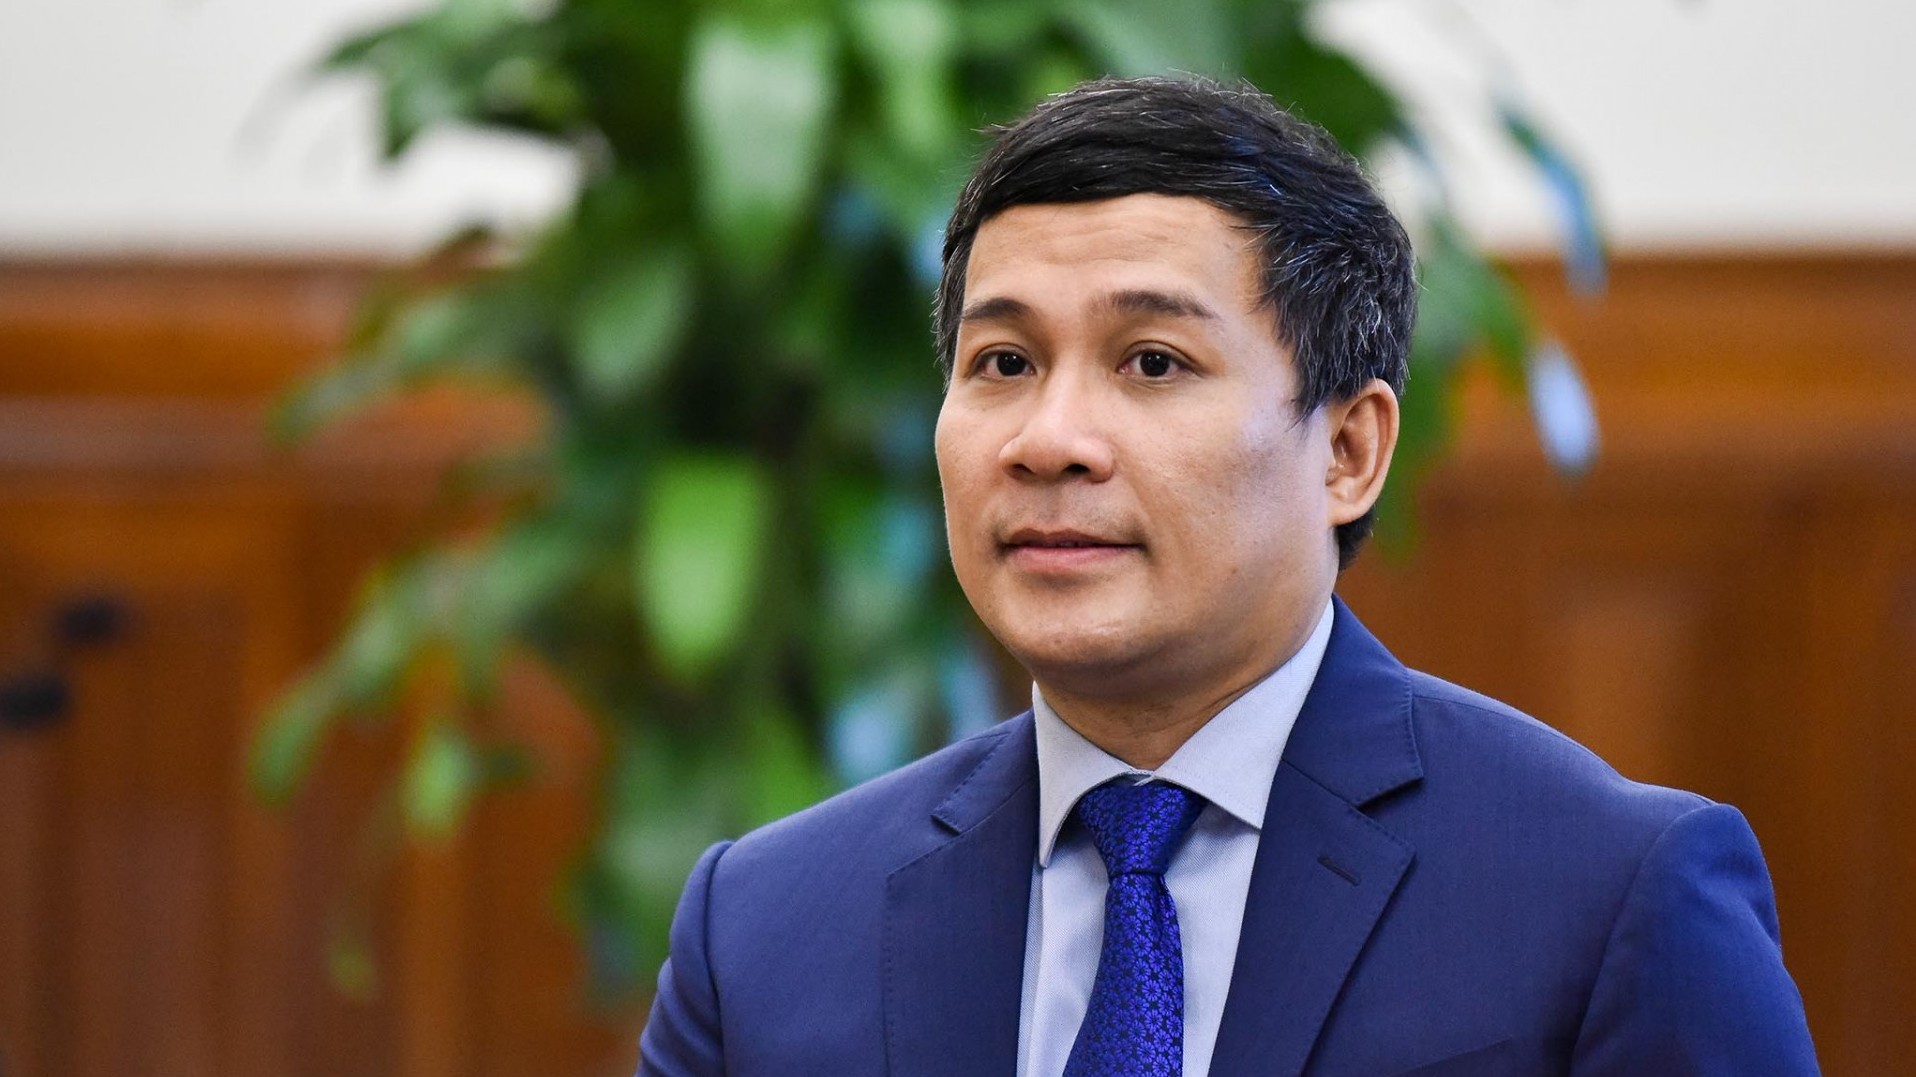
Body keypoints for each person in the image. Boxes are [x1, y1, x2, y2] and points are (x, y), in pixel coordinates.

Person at [637, 76, 1819, 1077]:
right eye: (1001, 362)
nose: (1048, 440)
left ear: (1346, 451)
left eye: (1151, 362)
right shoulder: (762, 928)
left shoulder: (1608, 900)